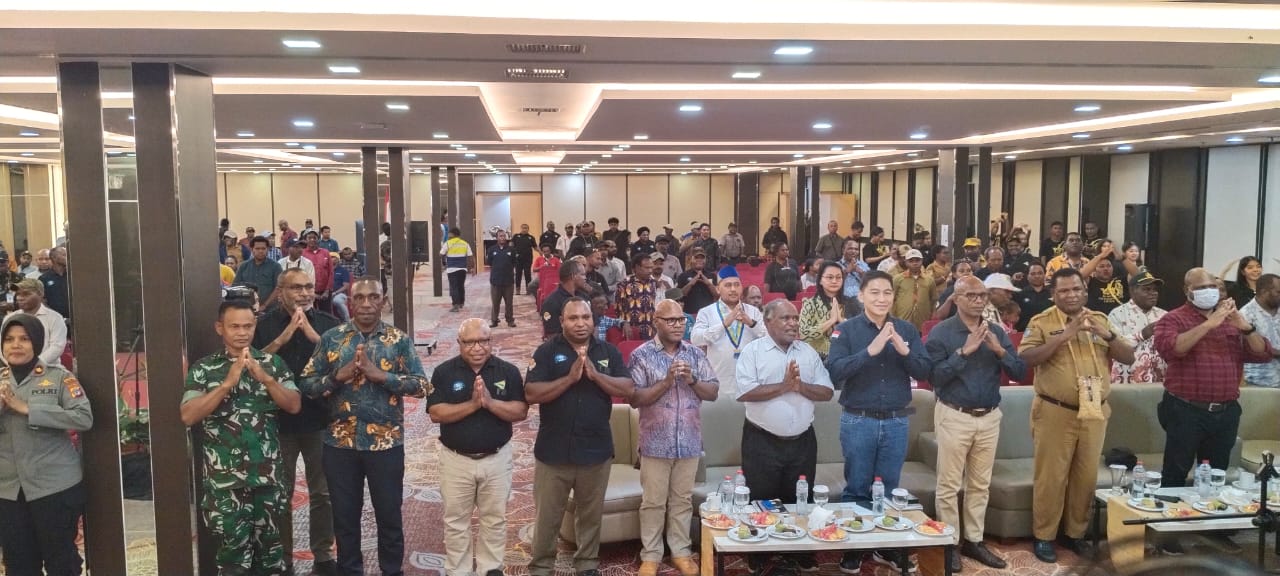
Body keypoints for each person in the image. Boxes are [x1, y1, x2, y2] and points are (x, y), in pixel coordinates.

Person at [298, 278, 430, 576]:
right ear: (351, 302)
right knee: (345, 518)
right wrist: (337, 377)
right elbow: (306, 384)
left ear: (383, 301)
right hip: (339, 444)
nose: (367, 304)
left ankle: (391, 571)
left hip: (386, 444)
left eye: (374, 297)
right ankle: (349, 570)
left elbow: (422, 385)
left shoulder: (398, 340)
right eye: (360, 298)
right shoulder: (332, 339)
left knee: (389, 516)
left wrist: (382, 376)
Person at [1018, 268, 1135, 563]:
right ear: (1053, 294)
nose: (1071, 295)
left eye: (1076, 289)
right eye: (1064, 291)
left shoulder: (1100, 319)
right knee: (1051, 477)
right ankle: (1044, 536)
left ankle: (1075, 534)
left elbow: (1128, 356)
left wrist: (1107, 335)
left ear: (1085, 291)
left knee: (1086, 476)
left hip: (1094, 410)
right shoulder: (1041, 322)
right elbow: (1026, 358)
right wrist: (1064, 336)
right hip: (1055, 410)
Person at [181, 300, 303, 575]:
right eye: (234, 326)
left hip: (268, 481)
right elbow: (188, 415)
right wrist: (226, 384)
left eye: (248, 326)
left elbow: (294, 405)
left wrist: (267, 379)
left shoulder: (273, 364)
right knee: (233, 561)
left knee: (270, 559)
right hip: (226, 485)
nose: (242, 332)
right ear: (220, 328)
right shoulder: (204, 369)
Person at [825, 270, 931, 574]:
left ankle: (884, 545)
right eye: (874, 292)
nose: (881, 298)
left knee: (889, 487)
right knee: (857, 486)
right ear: (861, 296)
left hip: (897, 421)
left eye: (887, 293)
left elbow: (924, 370)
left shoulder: (906, 330)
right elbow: (835, 372)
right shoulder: (846, 331)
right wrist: (870, 351)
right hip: (859, 420)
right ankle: (854, 548)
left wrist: (904, 350)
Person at [525, 298, 634, 576]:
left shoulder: (608, 351)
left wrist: (595, 376)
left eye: (586, 317)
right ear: (562, 321)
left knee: (590, 515)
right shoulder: (546, 352)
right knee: (548, 517)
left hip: (596, 450)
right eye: (573, 318)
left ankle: (587, 564)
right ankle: (541, 566)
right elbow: (531, 393)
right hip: (553, 451)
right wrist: (569, 379)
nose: (581, 323)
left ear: (593, 320)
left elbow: (627, 387)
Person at [925, 276, 1025, 571]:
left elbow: (1019, 371)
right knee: (949, 485)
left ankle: (974, 540)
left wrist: (999, 350)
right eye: (971, 295)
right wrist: (964, 352)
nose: (979, 300)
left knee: (980, 484)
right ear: (956, 299)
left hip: (990, 416)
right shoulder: (942, 332)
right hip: (954, 414)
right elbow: (934, 377)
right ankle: (949, 542)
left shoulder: (996, 331)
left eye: (982, 295)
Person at [252, 268, 341, 576]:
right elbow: (252, 364)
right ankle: (284, 559)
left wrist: (315, 338)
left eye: (308, 287)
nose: (304, 293)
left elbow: (344, 365)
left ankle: (323, 555)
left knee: (323, 493)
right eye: (296, 288)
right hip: (278, 423)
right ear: (281, 292)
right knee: (280, 495)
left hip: (320, 420)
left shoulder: (328, 324)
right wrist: (285, 336)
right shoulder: (263, 326)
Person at [735, 300, 834, 575]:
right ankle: (759, 552)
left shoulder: (808, 352)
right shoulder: (753, 351)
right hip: (761, 440)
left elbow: (827, 392)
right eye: (785, 318)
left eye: (795, 317)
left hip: (802, 441)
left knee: (799, 498)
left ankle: (797, 551)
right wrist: (784, 386)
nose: (793, 323)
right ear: (767, 322)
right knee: (762, 497)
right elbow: (744, 392)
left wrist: (799, 386)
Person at [1154, 268, 1273, 490]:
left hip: (1225, 412)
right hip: (1185, 410)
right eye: (1201, 288)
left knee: (1216, 474)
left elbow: (1262, 353)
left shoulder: (1232, 320)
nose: (1208, 291)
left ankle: (1210, 512)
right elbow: (1172, 349)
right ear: (1187, 291)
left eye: (1212, 287)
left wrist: (1246, 328)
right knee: (1175, 472)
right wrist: (1209, 324)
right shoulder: (1172, 319)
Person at [428, 319, 528, 576]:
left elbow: (520, 411)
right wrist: (473, 405)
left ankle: (490, 568)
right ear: (459, 343)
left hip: (497, 459)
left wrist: (490, 403)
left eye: (483, 341)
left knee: (495, 519)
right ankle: (458, 570)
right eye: (470, 342)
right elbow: (436, 413)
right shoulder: (444, 372)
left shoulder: (507, 371)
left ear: (490, 342)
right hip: (456, 460)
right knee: (456, 521)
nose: (477, 348)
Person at [629, 300, 718, 576]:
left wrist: (692, 381)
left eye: (681, 320)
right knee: (653, 502)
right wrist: (666, 383)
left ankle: (680, 552)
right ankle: (651, 555)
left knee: (682, 500)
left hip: (689, 441)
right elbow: (634, 398)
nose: (678, 325)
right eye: (671, 320)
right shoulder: (641, 355)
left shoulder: (695, 354)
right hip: (655, 442)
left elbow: (713, 391)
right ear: (656, 322)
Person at [0, 314, 93, 576]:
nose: (15, 345)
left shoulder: (59, 378)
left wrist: (28, 409)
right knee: (19, 565)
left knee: (62, 563)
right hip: (8, 491)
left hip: (54, 488)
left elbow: (83, 417)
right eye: (9, 339)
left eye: (24, 339)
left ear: (37, 343)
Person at [692, 267, 767, 394]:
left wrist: (751, 323)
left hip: (749, 382)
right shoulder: (706, 312)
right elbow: (696, 339)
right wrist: (723, 325)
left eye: (737, 285)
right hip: (719, 381)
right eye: (728, 285)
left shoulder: (753, 312)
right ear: (717, 289)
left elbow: (768, 339)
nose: (733, 289)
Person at [1108, 268, 1168, 384]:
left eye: (1155, 289)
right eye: (1147, 289)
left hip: (1159, 381)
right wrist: (1141, 335)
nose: (1153, 293)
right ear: (1132, 291)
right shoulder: (1117, 314)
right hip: (1128, 380)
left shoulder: (1164, 315)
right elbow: (1114, 346)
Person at [798, 261, 860, 359]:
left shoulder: (852, 303)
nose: (834, 281)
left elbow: (860, 334)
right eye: (830, 277)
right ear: (820, 280)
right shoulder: (810, 304)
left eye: (838, 277)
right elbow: (803, 334)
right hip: (817, 357)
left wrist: (841, 321)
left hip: (846, 356)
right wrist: (831, 321)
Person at [5, 278, 67, 367]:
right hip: (15, 369)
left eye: (26, 294)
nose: (20, 298)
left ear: (40, 294)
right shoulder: (10, 318)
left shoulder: (55, 318)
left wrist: (34, 364)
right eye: (18, 294)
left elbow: (57, 347)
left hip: (48, 369)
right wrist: (14, 363)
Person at [1241, 274, 1280, 387]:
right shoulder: (1245, 315)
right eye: (1278, 292)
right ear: (1264, 292)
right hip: (1259, 380)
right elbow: (1251, 348)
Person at [541, 261, 592, 338]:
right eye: (582, 274)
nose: (585, 278)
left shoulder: (585, 297)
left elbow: (594, 325)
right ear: (573, 276)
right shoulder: (552, 302)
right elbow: (552, 336)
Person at [889, 248, 937, 331]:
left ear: (922, 261)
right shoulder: (898, 279)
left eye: (917, 260)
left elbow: (933, 299)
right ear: (906, 262)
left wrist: (932, 314)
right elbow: (891, 298)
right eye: (911, 261)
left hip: (922, 320)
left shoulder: (929, 280)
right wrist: (891, 317)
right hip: (902, 319)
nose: (914, 263)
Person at [616, 253, 657, 339]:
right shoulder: (624, 284)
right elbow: (618, 308)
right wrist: (624, 323)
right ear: (637, 267)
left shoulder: (653, 282)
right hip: (631, 330)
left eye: (651, 267)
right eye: (647, 268)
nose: (650, 271)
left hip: (650, 330)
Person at [485, 229, 517, 328]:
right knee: (495, 303)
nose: (503, 238)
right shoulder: (491, 249)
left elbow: (514, 262)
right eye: (501, 236)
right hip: (496, 281)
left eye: (504, 236)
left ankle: (510, 320)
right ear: (497, 238)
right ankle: (494, 320)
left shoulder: (511, 250)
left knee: (509, 303)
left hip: (508, 281)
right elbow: (489, 263)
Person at [442, 227, 474, 313]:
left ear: (452, 234)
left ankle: (455, 305)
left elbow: (441, 254)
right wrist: (472, 267)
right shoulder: (465, 243)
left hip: (452, 269)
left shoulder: (447, 243)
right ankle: (461, 303)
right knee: (460, 286)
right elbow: (470, 256)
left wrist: (444, 263)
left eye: (449, 233)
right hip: (462, 269)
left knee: (454, 287)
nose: (448, 235)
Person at [301, 229, 335, 311]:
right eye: (309, 238)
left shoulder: (325, 252)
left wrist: (327, 290)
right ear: (305, 240)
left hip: (325, 292)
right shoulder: (302, 254)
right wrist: (309, 292)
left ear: (318, 239)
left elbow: (331, 272)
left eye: (314, 237)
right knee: (310, 314)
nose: (312, 240)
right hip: (308, 292)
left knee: (326, 314)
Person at [676, 249, 718, 316]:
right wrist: (691, 283)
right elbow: (680, 296)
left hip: (708, 313)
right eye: (696, 258)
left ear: (705, 260)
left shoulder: (712, 275)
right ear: (691, 259)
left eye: (702, 258)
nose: (699, 260)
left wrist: (708, 284)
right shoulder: (683, 276)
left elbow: (717, 295)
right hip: (689, 313)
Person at [1014, 262, 1053, 332]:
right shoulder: (1020, 294)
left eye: (1040, 273)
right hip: (1026, 332)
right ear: (1027, 276)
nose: (1037, 276)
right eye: (1033, 274)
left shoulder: (1053, 293)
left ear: (1045, 275)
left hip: (1050, 331)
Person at [39, 246, 70, 320]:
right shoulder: (44, 278)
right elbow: (41, 300)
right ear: (54, 258)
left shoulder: (72, 275)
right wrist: (54, 316)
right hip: (55, 319)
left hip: (74, 318)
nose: (67, 257)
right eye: (64, 255)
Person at [510, 224, 536, 296]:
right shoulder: (516, 236)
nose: (524, 229)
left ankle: (528, 290)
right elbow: (511, 245)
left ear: (528, 229)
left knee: (528, 274)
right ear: (521, 228)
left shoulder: (531, 237)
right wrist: (511, 253)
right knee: (518, 274)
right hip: (518, 259)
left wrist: (541, 252)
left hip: (528, 259)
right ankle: (517, 289)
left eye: (526, 228)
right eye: (523, 228)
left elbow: (535, 247)